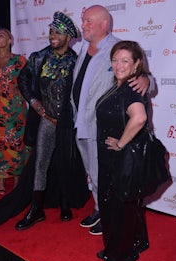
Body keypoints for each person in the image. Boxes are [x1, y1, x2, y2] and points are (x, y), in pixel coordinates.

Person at [70, 4, 155, 235]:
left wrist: (146, 80)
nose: (83, 24)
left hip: (103, 129)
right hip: (82, 123)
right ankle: (100, 208)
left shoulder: (117, 48)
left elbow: (141, 75)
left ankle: (108, 216)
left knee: (104, 176)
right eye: (83, 20)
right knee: (93, 174)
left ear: (104, 24)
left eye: (88, 20)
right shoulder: (84, 49)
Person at [14, 11, 86, 230]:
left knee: (66, 163)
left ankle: (65, 203)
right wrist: (35, 103)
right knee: (41, 163)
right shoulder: (38, 57)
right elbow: (23, 80)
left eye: (58, 32)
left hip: (67, 124)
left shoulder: (77, 61)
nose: (52, 35)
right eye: (51, 31)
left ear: (69, 37)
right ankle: (36, 209)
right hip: (46, 121)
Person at [95, 40, 150, 261]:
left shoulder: (130, 88)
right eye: (115, 59)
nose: (119, 65)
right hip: (119, 157)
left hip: (118, 157)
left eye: (125, 60)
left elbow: (139, 117)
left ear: (136, 64)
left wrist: (120, 143)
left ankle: (119, 254)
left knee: (115, 206)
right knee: (127, 203)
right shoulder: (121, 85)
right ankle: (137, 241)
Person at [0, 29, 31, 194]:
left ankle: (17, 181)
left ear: (10, 40)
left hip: (16, 110)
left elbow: (28, 83)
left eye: (1, 35)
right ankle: (1, 181)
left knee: (16, 144)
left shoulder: (20, 60)